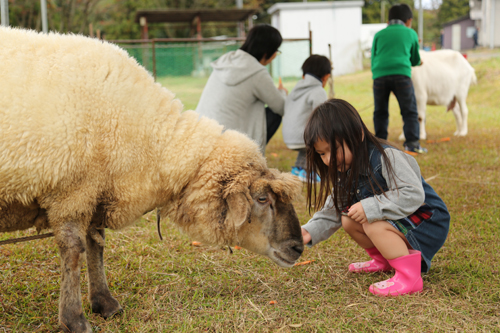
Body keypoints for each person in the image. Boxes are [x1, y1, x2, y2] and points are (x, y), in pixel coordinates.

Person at [300, 99, 450, 296]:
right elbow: (334, 208)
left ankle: (409, 277)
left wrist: (371, 207)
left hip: (426, 220)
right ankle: (384, 261)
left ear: (357, 135)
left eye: (333, 149)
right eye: (321, 154)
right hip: (398, 219)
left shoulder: (387, 157)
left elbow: (413, 194)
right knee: (348, 218)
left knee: (372, 222)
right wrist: (307, 231)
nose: (328, 160)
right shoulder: (345, 169)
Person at [195, 24, 287, 155]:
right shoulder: (257, 72)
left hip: (201, 135)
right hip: (229, 144)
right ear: (268, 52)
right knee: (274, 114)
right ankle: (251, 156)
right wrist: (283, 92)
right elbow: (281, 106)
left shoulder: (226, 61)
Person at [371, 4, 426, 154]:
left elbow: (374, 58)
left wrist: (377, 74)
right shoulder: (411, 34)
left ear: (389, 20)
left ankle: (380, 144)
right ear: (408, 20)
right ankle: (412, 144)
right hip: (402, 75)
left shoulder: (379, 34)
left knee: (380, 111)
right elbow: (415, 59)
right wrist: (418, 62)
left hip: (379, 76)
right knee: (409, 111)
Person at [282, 55, 331, 183]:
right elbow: (322, 118)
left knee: (307, 145)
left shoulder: (295, 89)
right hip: (302, 137)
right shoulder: (318, 91)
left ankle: (298, 169)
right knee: (322, 138)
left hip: (289, 136)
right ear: (326, 76)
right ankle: (308, 172)